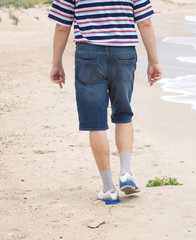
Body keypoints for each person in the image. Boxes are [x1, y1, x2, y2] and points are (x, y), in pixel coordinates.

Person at [48, 0, 162, 205]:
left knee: (96, 121)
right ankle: (126, 173)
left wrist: (56, 63)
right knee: (123, 114)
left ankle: (109, 188)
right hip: (124, 52)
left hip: (89, 53)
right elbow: (144, 23)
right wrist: (154, 61)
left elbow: (62, 25)